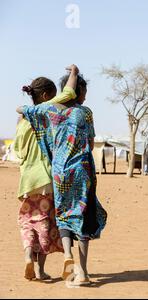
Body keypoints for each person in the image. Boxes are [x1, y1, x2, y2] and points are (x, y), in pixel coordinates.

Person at [17, 72, 108, 285]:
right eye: (84, 91)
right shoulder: (85, 113)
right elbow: (91, 144)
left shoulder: (50, 113)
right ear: (78, 91)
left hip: (58, 172)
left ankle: (67, 254)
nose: (85, 95)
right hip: (82, 170)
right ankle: (83, 272)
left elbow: (21, 109)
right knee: (83, 216)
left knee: (62, 215)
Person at [14, 65, 79, 280]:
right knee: (45, 223)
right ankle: (40, 270)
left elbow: (17, 151)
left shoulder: (21, 120)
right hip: (46, 178)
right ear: (45, 96)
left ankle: (26, 256)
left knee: (28, 222)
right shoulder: (45, 110)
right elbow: (69, 93)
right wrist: (74, 73)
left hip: (26, 180)